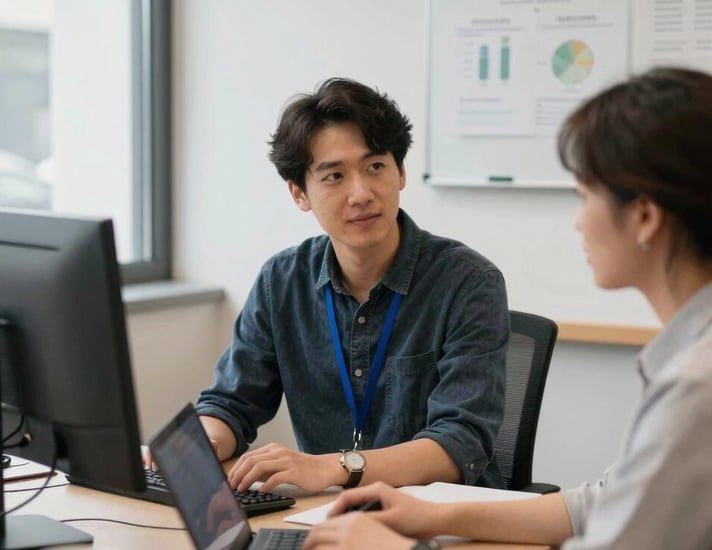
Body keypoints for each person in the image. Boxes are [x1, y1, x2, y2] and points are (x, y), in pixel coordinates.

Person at [302, 66, 712, 550]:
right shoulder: (691, 360)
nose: (578, 222)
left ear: (644, 217)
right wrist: (430, 516)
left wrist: (395, 547)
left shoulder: (695, 385)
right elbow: (607, 501)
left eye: (584, 196)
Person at [189, 78, 510, 493]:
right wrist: (200, 443)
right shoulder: (281, 282)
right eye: (334, 176)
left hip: (443, 521)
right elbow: (231, 402)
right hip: (327, 515)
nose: (360, 194)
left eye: (375, 166)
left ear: (401, 172)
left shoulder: (468, 283)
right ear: (299, 193)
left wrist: (338, 467)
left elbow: (460, 442)